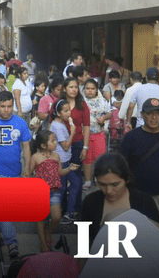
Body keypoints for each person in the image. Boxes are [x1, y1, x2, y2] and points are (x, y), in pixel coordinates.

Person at [0, 91, 32, 258]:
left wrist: (28, 169)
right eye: (3, 106)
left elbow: (26, 148)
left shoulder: (21, 123)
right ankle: (12, 243)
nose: (7, 110)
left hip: (15, 171)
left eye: (10, 106)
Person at [81, 153, 159, 245]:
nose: (109, 191)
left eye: (115, 184)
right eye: (102, 184)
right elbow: (83, 242)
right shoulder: (90, 202)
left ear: (127, 180)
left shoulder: (144, 201)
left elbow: (156, 238)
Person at [29, 130, 78, 252]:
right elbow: (29, 174)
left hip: (54, 191)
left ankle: (48, 232)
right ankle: (43, 244)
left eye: (55, 140)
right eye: (53, 140)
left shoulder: (56, 156)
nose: (56, 142)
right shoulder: (35, 157)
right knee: (40, 219)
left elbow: (60, 172)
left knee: (56, 217)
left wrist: (69, 169)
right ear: (43, 145)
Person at [121, 98, 159, 218]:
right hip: (136, 197)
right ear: (142, 115)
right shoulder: (131, 138)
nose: (154, 117)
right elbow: (121, 166)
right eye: (150, 113)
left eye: (158, 113)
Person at [49, 99, 82, 225]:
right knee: (65, 187)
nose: (69, 113)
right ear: (58, 113)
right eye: (66, 111)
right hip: (61, 162)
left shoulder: (59, 124)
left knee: (71, 184)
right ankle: (62, 213)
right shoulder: (58, 126)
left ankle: (64, 212)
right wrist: (73, 133)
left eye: (69, 110)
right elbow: (66, 146)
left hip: (64, 161)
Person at [61, 77, 90, 218]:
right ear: (64, 88)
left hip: (77, 143)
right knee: (61, 176)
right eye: (71, 86)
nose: (73, 89)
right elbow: (51, 123)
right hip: (61, 145)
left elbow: (87, 126)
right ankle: (61, 206)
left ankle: (75, 208)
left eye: (76, 87)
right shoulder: (59, 103)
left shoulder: (82, 105)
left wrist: (85, 147)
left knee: (76, 176)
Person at [82, 79, 111, 190]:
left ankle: (98, 178)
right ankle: (88, 180)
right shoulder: (81, 101)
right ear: (84, 89)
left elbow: (110, 113)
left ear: (96, 89)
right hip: (85, 135)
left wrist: (103, 118)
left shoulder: (102, 101)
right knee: (87, 158)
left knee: (100, 157)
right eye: (87, 88)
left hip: (99, 133)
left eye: (92, 89)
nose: (90, 91)